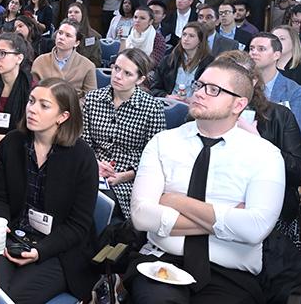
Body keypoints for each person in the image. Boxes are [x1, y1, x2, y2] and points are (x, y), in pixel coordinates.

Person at [128, 59, 285, 304]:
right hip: (161, 262)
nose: (199, 92)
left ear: (239, 104)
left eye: (213, 89)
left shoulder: (265, 155)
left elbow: (254, 229)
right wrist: (226, 219)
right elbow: (141, 216)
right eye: (200, 85)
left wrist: (175, 201)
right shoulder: (164, 142)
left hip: (231, 277)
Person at [0, 78, 99, 304]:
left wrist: (40, 251)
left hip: (60, 249)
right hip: (13, 238)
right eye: (31, 101)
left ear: (63, 117)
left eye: (44, 105)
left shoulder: (82, 157)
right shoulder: (12, 143)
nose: (32, 109)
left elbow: (78, 226)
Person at [215, 51, 301, 249]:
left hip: (267, 211)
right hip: (213, 202)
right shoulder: (207, 113)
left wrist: (259, 142)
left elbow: (300, 173)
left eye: (238, 79)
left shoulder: (279, 116)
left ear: (254, 81)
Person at [83, 49, 165, 221]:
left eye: (127, 73)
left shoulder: (152, 108)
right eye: (116, 68)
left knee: (94, 202)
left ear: (140, 79)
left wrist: (125, 175)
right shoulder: (93, 98)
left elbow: (155, 157)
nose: (118, 76)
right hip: (92, 169)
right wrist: (94, 164)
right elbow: (83, 142)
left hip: (128, 178)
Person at [248, 33, 301, 139]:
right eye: (251, 48)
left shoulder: (295, 92)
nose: (254, 53)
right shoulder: (241, 84)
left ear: (276, 55)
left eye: (261, 49)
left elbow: (297, 135)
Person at [31, 19, 97, 98]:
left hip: (73, 108)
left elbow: (90, 98)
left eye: (68, 35)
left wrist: (72, 106)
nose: (61, 37)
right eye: (60, 33)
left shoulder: (88, 66)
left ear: (76, 43)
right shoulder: (40, 61)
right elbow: (32, 91)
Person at [150, 22, 214, 99]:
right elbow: (154, 88)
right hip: (170, 103)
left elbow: (211, 91)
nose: (186, 39)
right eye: (184, 34)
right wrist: (167, 96)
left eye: (191, 36)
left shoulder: (210, 63)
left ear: (200, 41)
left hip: (195, 105)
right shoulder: (168, 60)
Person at [272, 24, 301, 120]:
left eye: (282, 39)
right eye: (274, 39)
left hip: (293, 122)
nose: (277, 43)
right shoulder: (264, 67)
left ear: (294, 43)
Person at [66, 1, 103, 67]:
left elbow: (96, 61)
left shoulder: (93, 36)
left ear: (83, 15)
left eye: (76, 12)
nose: (72, 14)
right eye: (70, 12)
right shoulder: (58, 34)